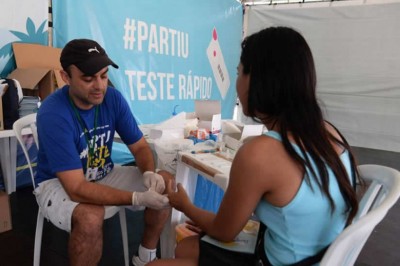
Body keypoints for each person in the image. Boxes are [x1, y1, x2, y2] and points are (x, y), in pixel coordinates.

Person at [149, 26, 362, 266]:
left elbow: (224, 231)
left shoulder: (260, 153)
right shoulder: (330, 133)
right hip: (321, 256)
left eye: (239, 73)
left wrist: (185, 205)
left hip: (276, 260)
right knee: (187, 246)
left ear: (259, 81)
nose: (237, 83)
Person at [35, 38, 174, 266]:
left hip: (102, 173)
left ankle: (145, 257)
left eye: (104, 75)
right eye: (88, 79)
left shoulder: (113, 98)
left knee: (165, 183)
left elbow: (139, 146)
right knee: (90, 217)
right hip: (57, 183)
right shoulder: (53, 114)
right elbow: (77, 188)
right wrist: (136, 197)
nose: (99, 86)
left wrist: (149, 172)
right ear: (65, 77)